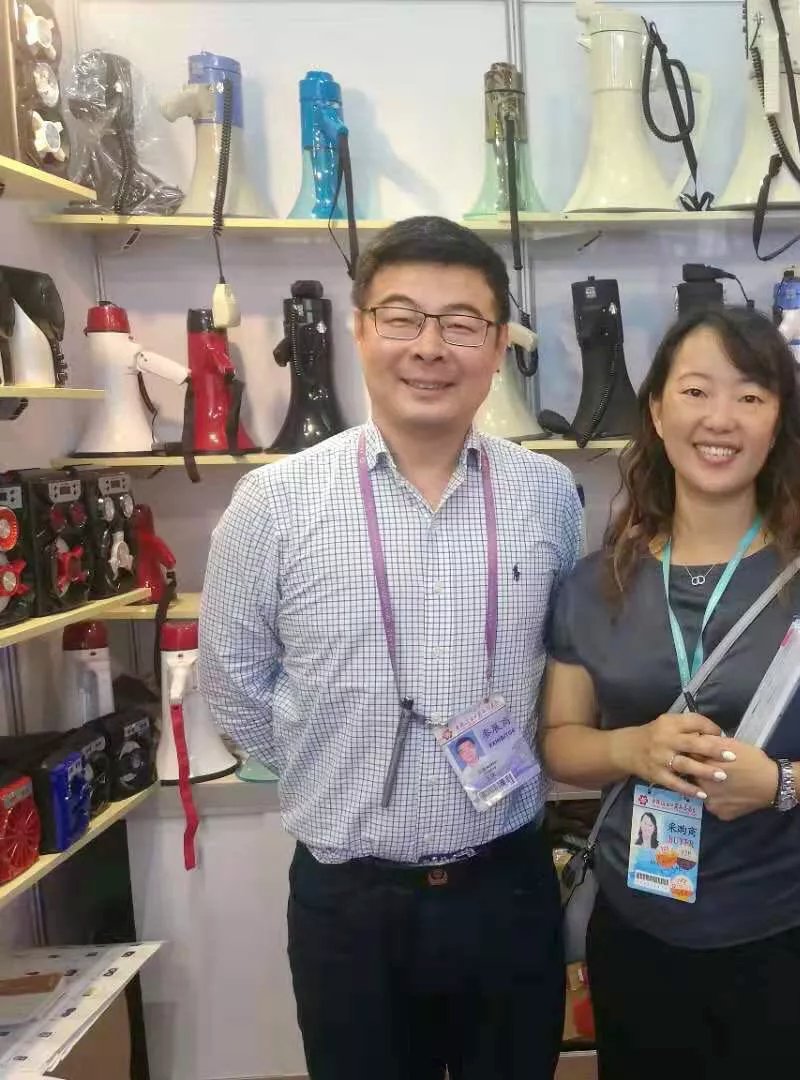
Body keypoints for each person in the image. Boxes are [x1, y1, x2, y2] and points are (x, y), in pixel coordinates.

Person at [198, 216, 582, 1080]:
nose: (430, 347)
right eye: (402, 317)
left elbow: (562, 662)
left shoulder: (549, 494)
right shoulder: (274, 502)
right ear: (360, 328)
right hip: (349, 903)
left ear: (499, 345)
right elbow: (234, 687)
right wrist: (329, 760)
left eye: (462, 323)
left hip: (510, 885)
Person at [541, 306, 800, 1079]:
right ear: (656, 411)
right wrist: (631, 748)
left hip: (786, 929)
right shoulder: (596, 583)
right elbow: (560, 741)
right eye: (696, 391)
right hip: (638, 927)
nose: (721, 419)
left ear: (779, 422)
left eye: (750, 396)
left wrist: (781, 783)